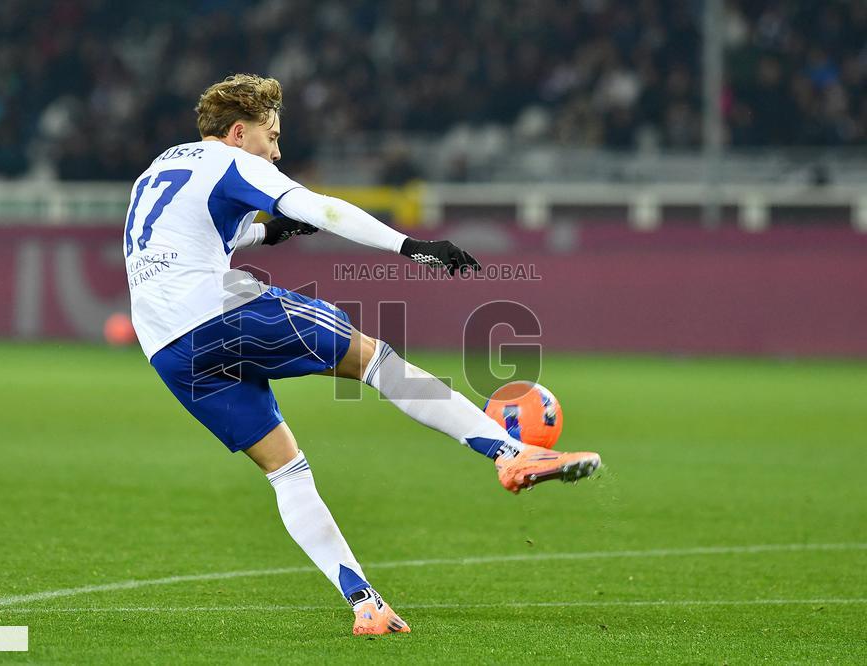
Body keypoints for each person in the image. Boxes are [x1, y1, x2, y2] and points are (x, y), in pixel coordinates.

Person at [123, 73, 601, 636]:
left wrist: (263, 237)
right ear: (237, 132)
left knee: (285, 468)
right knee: (376, 360)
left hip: (166, 345)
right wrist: (414, 247)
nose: (277, 150)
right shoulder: (236, 162)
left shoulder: (155, 171)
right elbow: (323, 209)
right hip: (218, 309)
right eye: (271, 136)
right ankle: (510, 453)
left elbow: (179, 238)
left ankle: (365, 604)